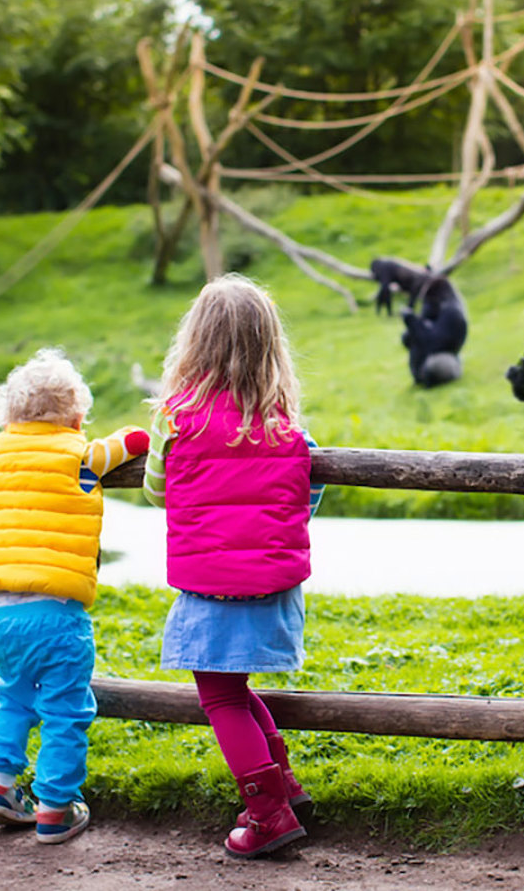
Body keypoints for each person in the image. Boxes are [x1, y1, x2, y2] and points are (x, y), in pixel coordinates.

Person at [143, 274, 324, 859]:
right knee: (233, 688)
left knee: (220, 696)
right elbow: (309, 496)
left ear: (194, 343)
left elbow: (156, 492)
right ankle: (284, 788)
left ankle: (267, 814)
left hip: (212, 587)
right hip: (272, 587)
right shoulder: (290, 428)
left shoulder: (176, 422)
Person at [0, 348, 149, 844]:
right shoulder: (82, 456)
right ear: (75, 417)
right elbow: (136, 439)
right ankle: (54, 806)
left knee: (14, 697)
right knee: (66, 710)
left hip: (0, 615)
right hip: (57, 616)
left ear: (9, 414)